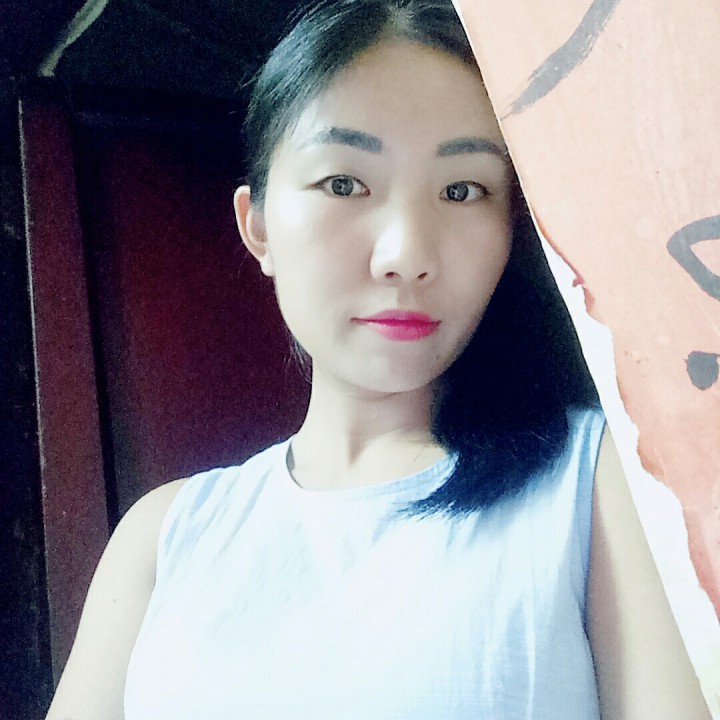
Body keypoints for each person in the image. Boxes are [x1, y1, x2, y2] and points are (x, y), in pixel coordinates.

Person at [46, 1, 711, 718]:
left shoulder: (599, 482)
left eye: (463, 190)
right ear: (258, 225)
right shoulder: (164, 539)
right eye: (344, 183)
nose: (407, 254)